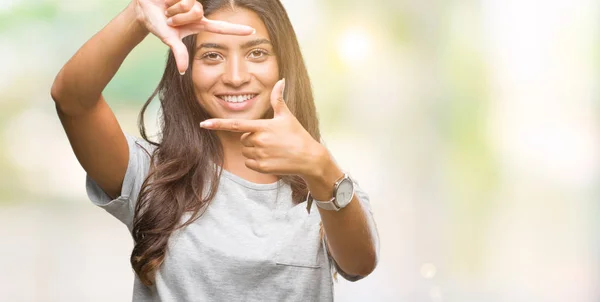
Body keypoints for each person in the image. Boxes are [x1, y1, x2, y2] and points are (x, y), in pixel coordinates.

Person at [51, 0, 380, 300]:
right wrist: (138, 15)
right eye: (212, 56)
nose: (235, 77)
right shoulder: (150, 175)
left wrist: (320, 168)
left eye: (257, 54)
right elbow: (72, 100)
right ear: (186, 69)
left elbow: (359, 265)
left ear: (284, 65)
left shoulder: (326, 182)